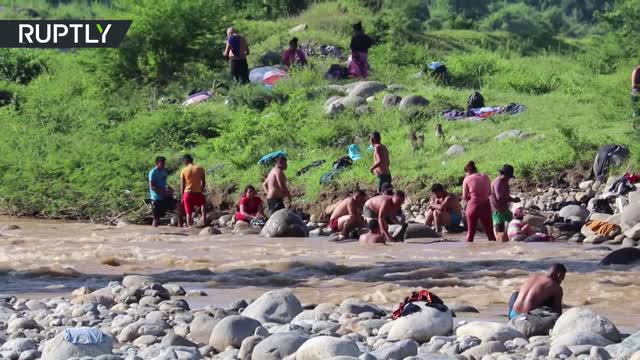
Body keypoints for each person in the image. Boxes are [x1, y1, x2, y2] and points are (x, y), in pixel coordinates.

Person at [462, 161, 496, 242]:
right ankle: (494, 253)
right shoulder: (485, 176)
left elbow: (465, 197)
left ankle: (468, 253)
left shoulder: (467, 179)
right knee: (490, 234)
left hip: (473, 206)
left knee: (470, 234)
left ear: (468, 171)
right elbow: (489, 193)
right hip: (485, 206)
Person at [490, 164, 521, 242]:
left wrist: (513, 199)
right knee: (499, 229)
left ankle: (506, 239)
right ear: (504, 174)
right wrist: (512, 200)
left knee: (514, 222)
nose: (509, 179)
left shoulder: (504, 181)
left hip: (504, 208)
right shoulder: (498, 182)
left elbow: (505, 195)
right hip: (497, 209)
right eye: (509, 176)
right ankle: (499, 242)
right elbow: (499, 197)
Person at [180, 154, 206, 227]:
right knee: (203, 205)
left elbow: (182, 185)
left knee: (188, 213)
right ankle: (204, 221)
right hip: (198, 192)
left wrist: (182, 196)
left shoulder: (184, 170)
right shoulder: (200, 169)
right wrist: (201, 189)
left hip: (187, 193)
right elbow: (203, 182)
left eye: (183, 161)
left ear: (186, 161)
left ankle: (190, 227)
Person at [148, 156, 175, 227]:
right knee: (156, 218)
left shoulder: (164, 171)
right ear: (157, 163)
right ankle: (153, 235)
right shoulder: (153, 172)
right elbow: (152, 187)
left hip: (164, 197)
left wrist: (169, 188)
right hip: (156, 198)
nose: (163, 164)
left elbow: (163, 183)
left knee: (161, 216)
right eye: (162, 163)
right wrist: (164, 193)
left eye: (164, 163)